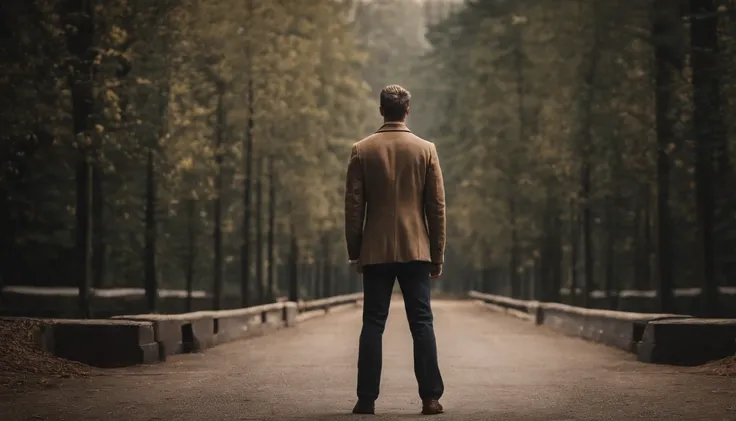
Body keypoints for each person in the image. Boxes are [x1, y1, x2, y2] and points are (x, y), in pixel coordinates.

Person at [344, 84, 446, 416]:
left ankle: (366, 399)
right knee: (422, 322)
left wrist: (355, 249)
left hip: (375, 250)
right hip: (416, 249)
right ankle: (430, 398)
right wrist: (437, 254)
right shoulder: (426, 150)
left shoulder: (362, 150)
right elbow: (437, 208)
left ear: (380, 110)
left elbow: (354, 206)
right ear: (407, 110)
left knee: (373, 322)